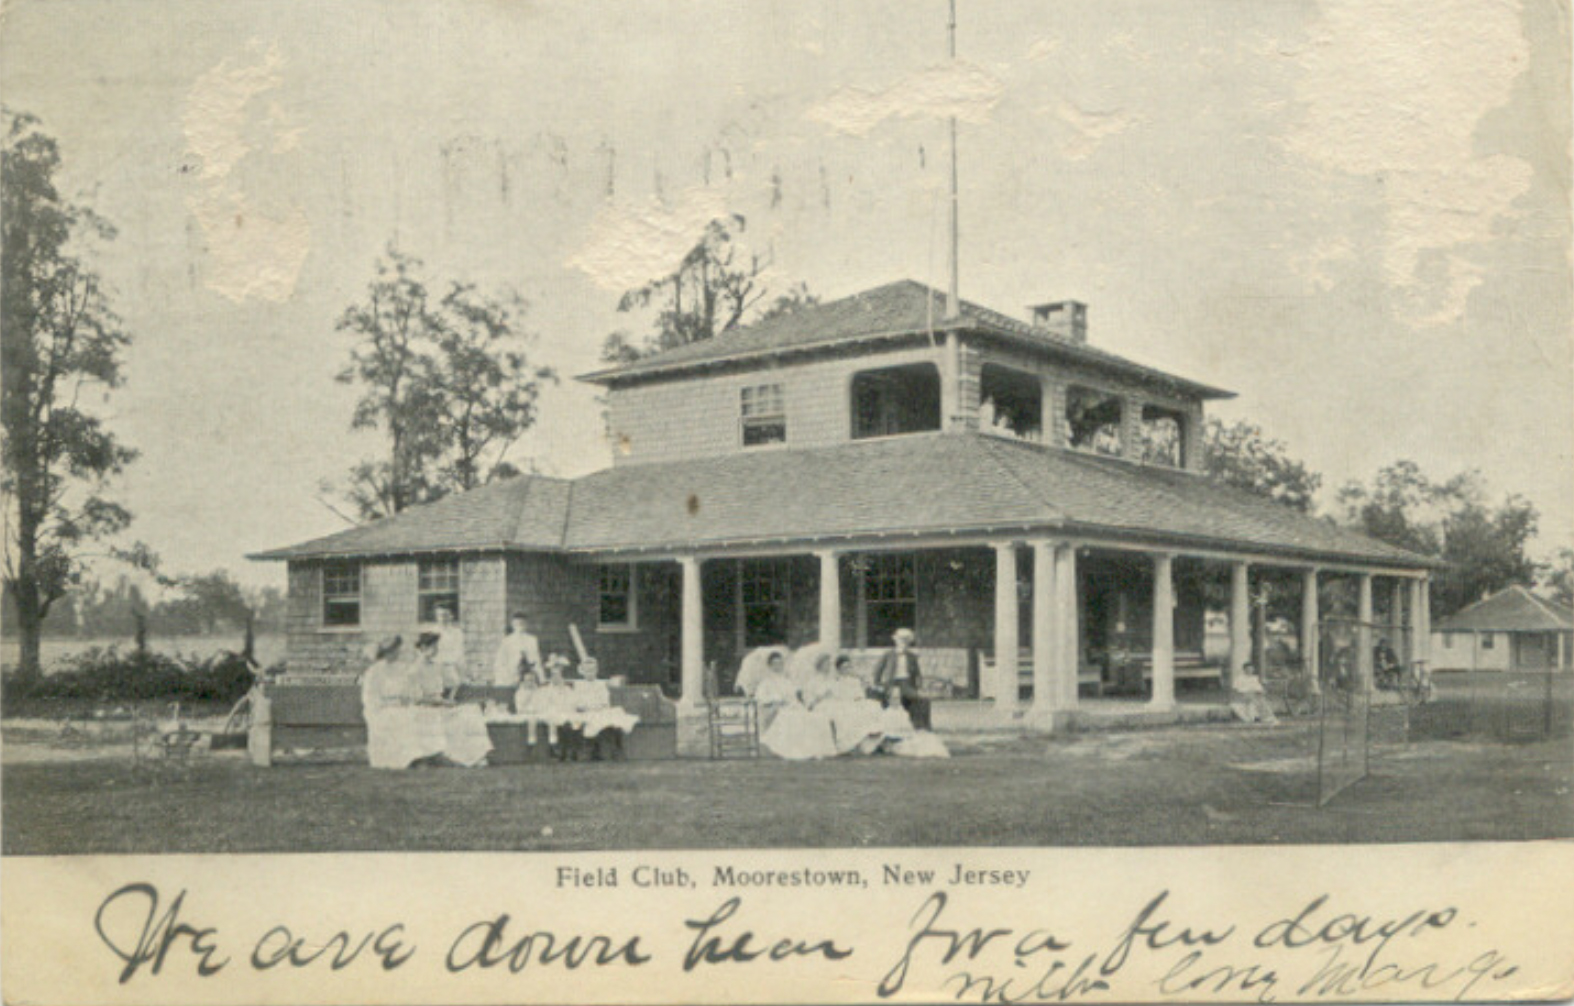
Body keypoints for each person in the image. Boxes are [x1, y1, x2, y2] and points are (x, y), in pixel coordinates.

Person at [360, 636, 451, 769]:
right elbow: (370, 699)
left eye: (398, 650)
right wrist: (389, 705)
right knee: (405, 718)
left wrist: (408, 700)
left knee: (423, 714)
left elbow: (409, 692)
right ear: (386, 652)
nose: (398, 653)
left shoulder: (401, 669)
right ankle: (412, 758)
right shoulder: (374, 672)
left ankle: (430, 754)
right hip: (380, 711)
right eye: (394, 651)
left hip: (401, 707)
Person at [411, 632, 493, 766]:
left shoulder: (437, 666)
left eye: (436, 646)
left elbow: (454, 682)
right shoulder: (414, 670)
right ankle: (455, 758)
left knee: (471, 711)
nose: (436, 650)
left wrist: (451, 696)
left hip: (442, 705)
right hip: (425, 709)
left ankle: (477, 755)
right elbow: (418, 698)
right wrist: (444, 702)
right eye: (433, 647)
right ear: (422, 649)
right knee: (448, 721)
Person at [757, 651, 837, 760]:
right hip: (776, 708)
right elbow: (761, 698)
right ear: (770, 666)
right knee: (793, 719)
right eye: (775, 664)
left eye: (780, 663)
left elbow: (794, 697)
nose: (778, 666)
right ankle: (796, 751)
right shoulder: (766, 682)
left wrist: (795, 703)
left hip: (791, 706)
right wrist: (777, 700)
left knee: (814, 718)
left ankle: (813, 749)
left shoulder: (787, 681)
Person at [815, 653, 886, 755]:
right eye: (844, 668)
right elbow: (837, 696)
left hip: (856, 702)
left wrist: (860, 695)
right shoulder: (836, 681)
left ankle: (873, 738)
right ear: (839, 670)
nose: (847, 670)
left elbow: (860, 695)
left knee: (874, 706)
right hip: (843, 703)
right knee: (848, 713)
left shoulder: (855, 681)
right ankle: (850, 744)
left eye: (849, 667)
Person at [870, 628, 931, 729]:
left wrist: (920, 687)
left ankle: (922, 728)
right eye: (901, 639)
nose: (904, 642)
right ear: (896, 640)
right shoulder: (888, 654)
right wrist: (877, 684)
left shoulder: (912, 656)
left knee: (923, 699)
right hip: (891, 684)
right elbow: (877, 671)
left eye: (906, 640)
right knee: (891, 697)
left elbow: (918, 674)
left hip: (906, 684)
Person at [492, 611, 544, 687]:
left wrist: (541, 678)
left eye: (522, 624)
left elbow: (536, 660)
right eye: (517, 624)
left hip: (528, 676)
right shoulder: (507, 641)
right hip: (511, 675)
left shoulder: (532, 640)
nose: (520, 626)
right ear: (513, 625)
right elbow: (500, 662)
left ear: (526, 625)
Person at [431, 604, 469, 685]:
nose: (443, 619)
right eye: (440, 616)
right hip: (435, 670)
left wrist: (463, 675)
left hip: (450, 669)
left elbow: (460, 655)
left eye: (445, 615)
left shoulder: (457, 633)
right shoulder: (432, 632)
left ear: (451, 616)